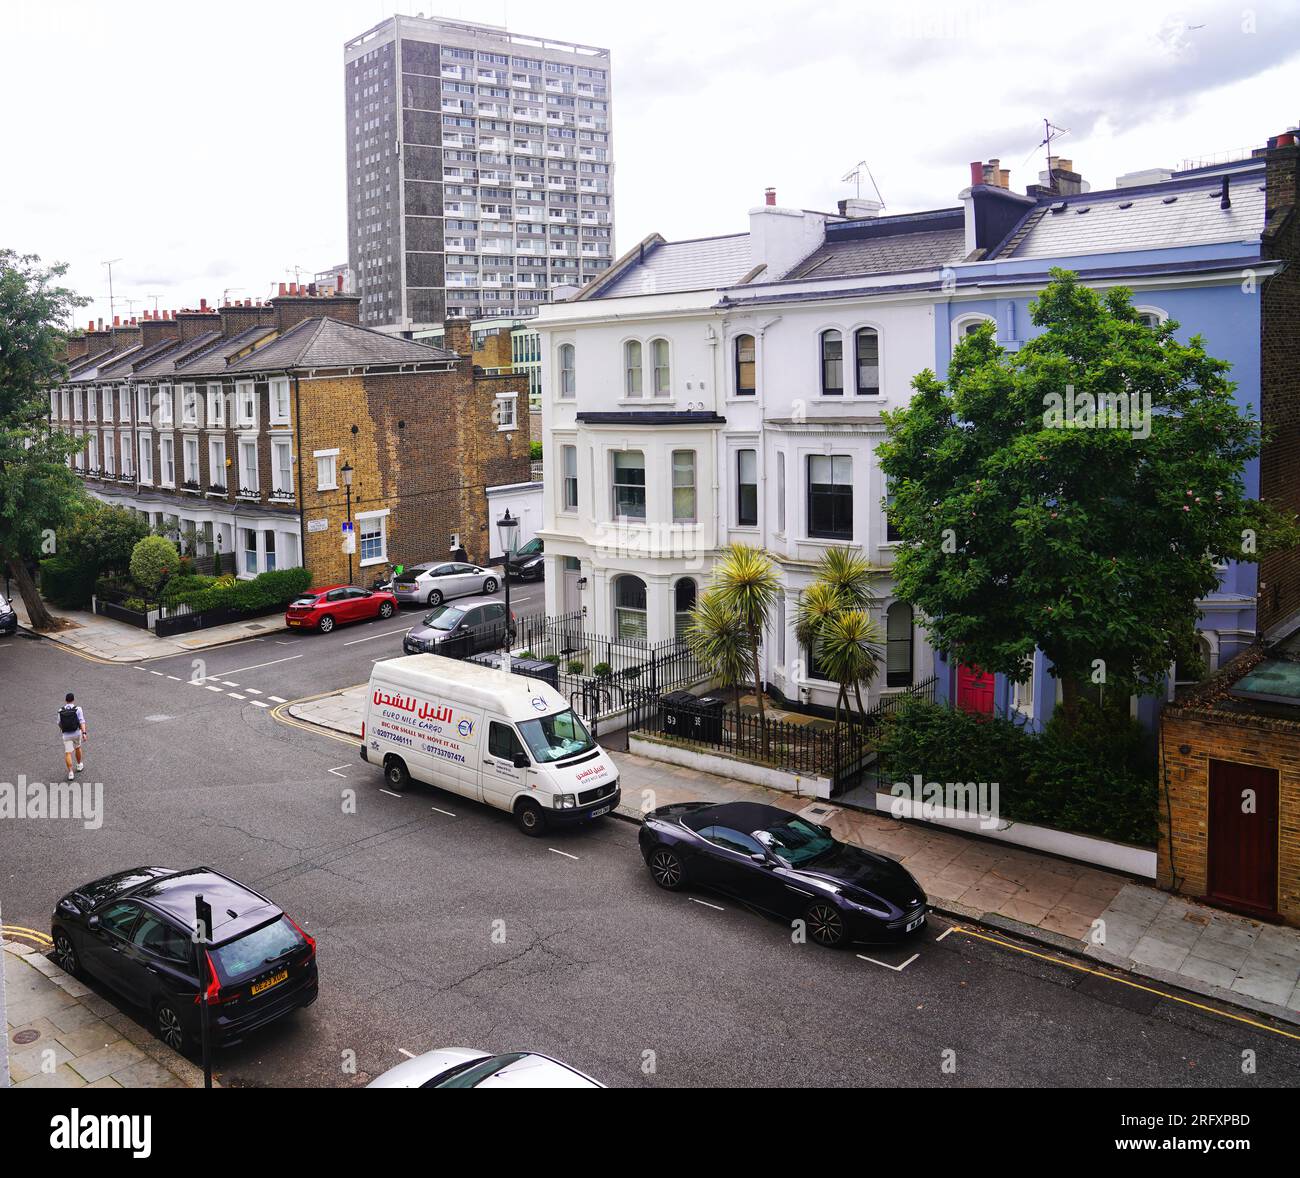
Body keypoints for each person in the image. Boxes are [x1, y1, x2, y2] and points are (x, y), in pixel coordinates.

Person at [58, 692, 86, 780]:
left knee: (68, 752)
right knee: (77, 747)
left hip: (66, 734)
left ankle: (70, 772)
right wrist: (84, 733)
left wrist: (62, 729)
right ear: (73, 700)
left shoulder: (60, 710)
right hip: (76, 732)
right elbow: (82, 721)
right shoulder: (78, 709)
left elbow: (59, 723)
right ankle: (79, 765)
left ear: (66, 700)